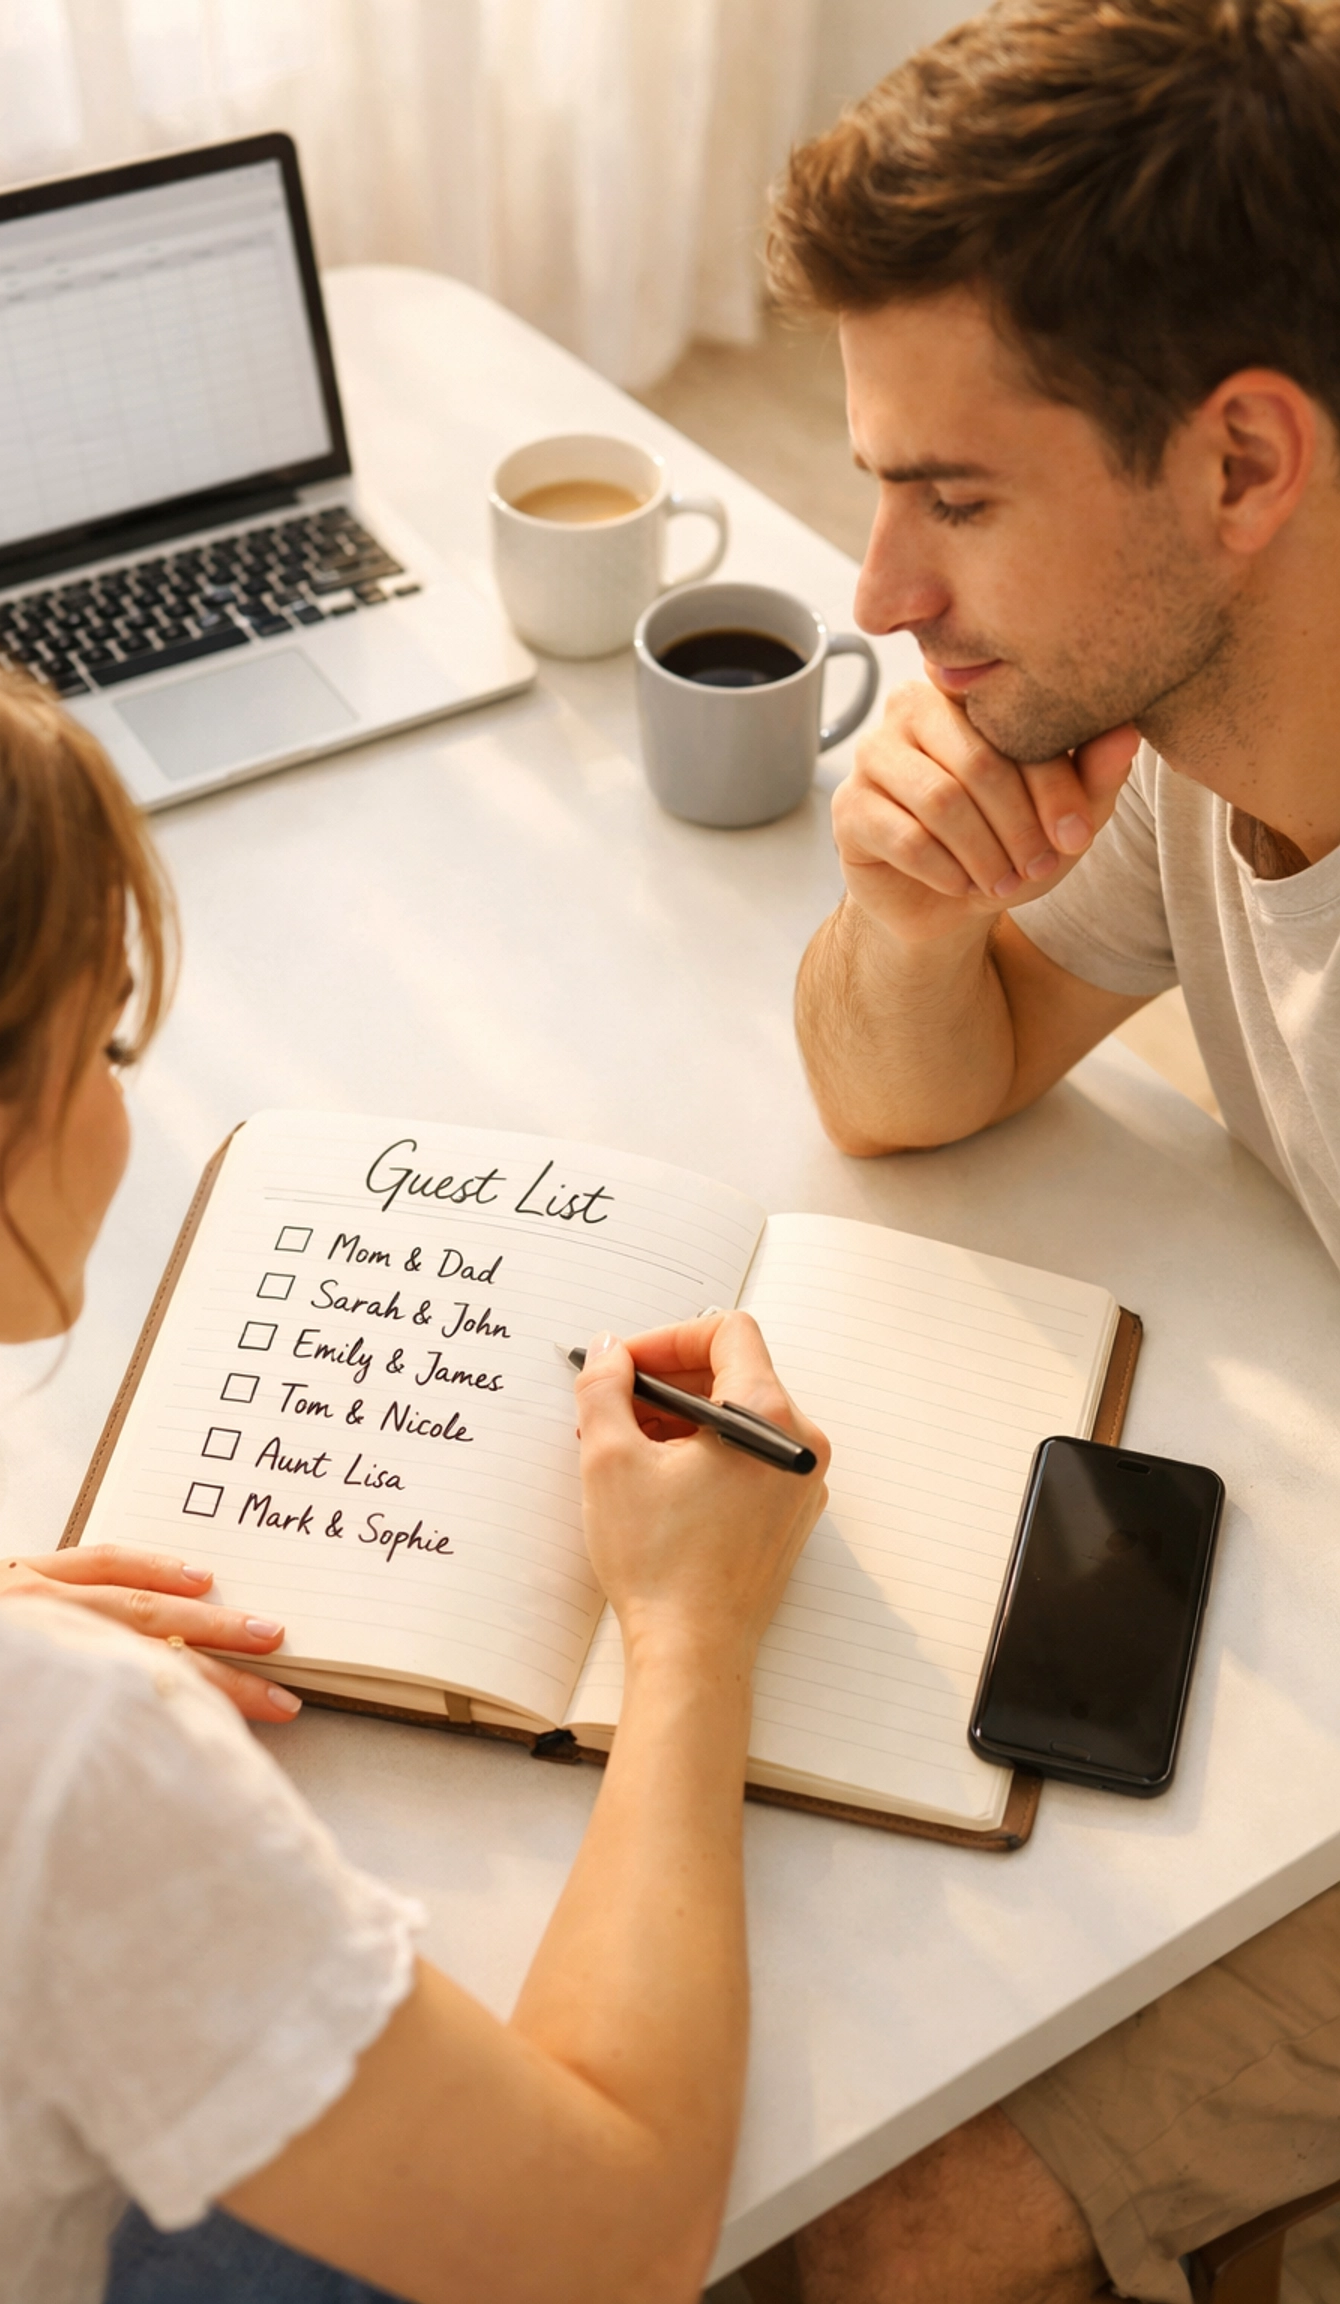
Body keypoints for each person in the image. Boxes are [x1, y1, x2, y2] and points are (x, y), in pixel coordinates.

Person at [0, 621, 830, 2304]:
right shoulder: (57, 1774)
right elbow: (616, 2241)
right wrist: (689, 1633)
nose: (131, 1113)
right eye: (109, 1046)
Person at [765, 1, 1340, 2299]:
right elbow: (914, 1079)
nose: (883, 591)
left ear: (1240, 463)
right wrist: (907, 905)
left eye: (957, 499)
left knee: (881, 2208)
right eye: (882, 483)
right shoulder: (1189, 708)